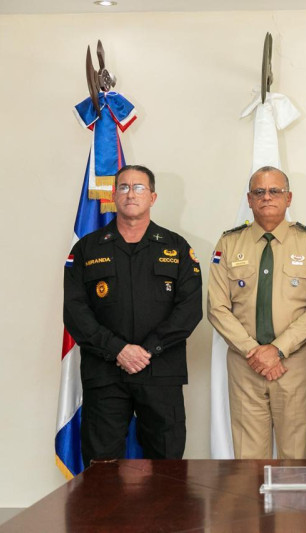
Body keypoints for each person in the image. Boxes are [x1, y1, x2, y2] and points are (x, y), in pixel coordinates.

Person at [64, 164, 203, 466]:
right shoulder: (87, 249)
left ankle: (163, 517)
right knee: (100, 468)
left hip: (161, 371)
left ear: (153, 197)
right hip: (105, 373)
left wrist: (146, 351)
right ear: (113, 195)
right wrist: (118, 350)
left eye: (139, 187)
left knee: (166, 465)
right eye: (124, 187)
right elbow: (75, 312)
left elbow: (189, 310)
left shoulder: (177, 248)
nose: (131, 194)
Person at [207, 166, 306, 459]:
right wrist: (255, 352)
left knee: (296, 456)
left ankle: (293, 508)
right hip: (245, 364)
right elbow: (217, 307)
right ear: (249, 199)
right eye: (259, 192)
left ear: (288, 198)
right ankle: (252, 508)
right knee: (248, 460)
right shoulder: (229, 242)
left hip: (294, 365)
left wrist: (277, 350)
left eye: (275, 191)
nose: (267, 197)